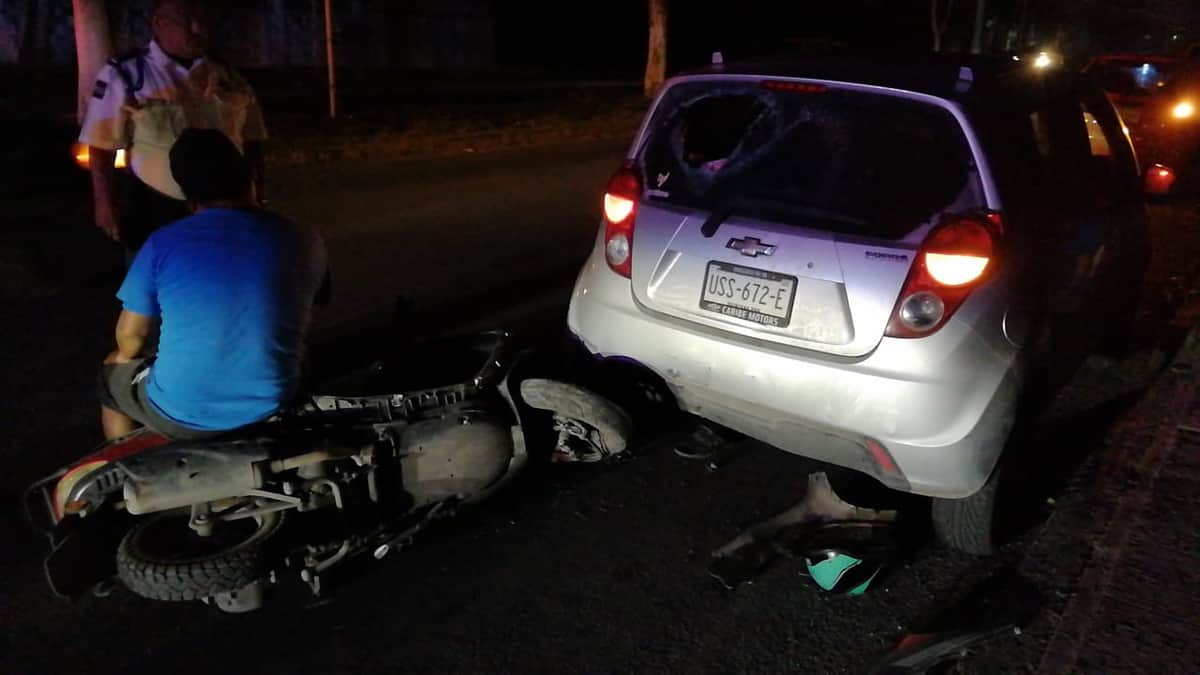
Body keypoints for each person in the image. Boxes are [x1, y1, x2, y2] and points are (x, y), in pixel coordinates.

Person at [97, 128, 330, 441]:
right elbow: (310, 313)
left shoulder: (163, 243)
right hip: (274, 401)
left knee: (111, 374)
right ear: (249, 177)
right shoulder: (304, 237)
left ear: (184, 193)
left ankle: (123, 467)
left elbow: (131, 337)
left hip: (180, 412)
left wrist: (126, 358)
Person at [78, 0, 268, 260]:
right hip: (156, 209)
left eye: (202, 21)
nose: (198, 29)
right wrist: (104, 203)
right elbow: (101, 145)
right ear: (159, 24)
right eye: (187, 21)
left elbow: (252, 140)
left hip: (227, 209)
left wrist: (257, 191)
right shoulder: (127, 75)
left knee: (219, 285)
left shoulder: (229, 77)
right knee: (153, 289)